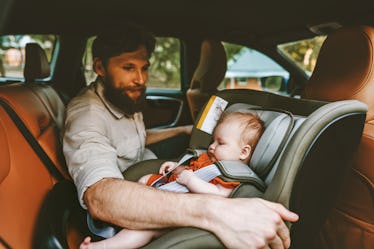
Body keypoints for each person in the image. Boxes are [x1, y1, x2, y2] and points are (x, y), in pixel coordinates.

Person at [63, 23, 299, 249]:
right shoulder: (87, 117)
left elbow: (133, 140)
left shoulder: (121, 97)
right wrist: (217, 211)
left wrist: (184, 130)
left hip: (148, 177)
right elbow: (100, 197)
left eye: (144, 68)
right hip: (124, 208)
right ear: (100, 67)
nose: (141, 79)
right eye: (128, 68)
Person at [80, 111, 266, 249]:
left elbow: (218, 195)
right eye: (213, 141)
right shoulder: (211, 160)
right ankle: (124, 217)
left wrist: (190, 180)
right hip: (176, 193)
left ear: (244, 152)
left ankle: (104, 247)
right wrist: (176, 168)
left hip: (187, 215)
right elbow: (191, 169)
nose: (211, 146)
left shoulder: (231, 177)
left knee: (145, 229)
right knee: (145, 180)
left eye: (220, 143)